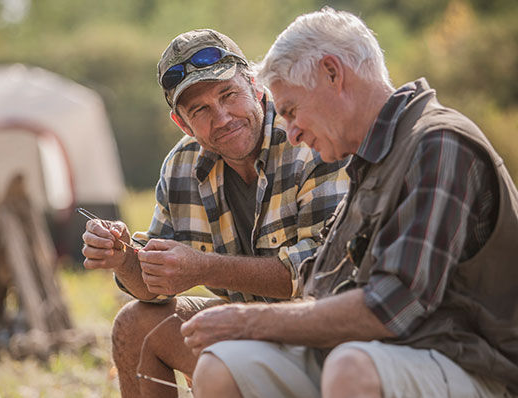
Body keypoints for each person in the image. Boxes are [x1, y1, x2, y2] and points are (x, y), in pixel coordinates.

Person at [180, 8, 518, 398]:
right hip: (384, 352)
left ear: (333, 73)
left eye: (292, 111)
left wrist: (248, 321)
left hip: (484, 370)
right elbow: (320, 287)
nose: (291, 134)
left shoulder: (439, 143)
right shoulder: (370, 160)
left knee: (351, 369)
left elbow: (390, 307)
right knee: (221, 366)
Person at [81, 28, 348, 397]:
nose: (222, 118)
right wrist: (123, 258)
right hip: (247, 329)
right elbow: (154, 289)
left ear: (255, 87)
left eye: (229, 95)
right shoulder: (181, 166)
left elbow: (323, 273)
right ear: (182, 123)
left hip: (326, 337)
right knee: (135, 324)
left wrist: (204, 268)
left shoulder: (308, 140)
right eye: (200, 110)